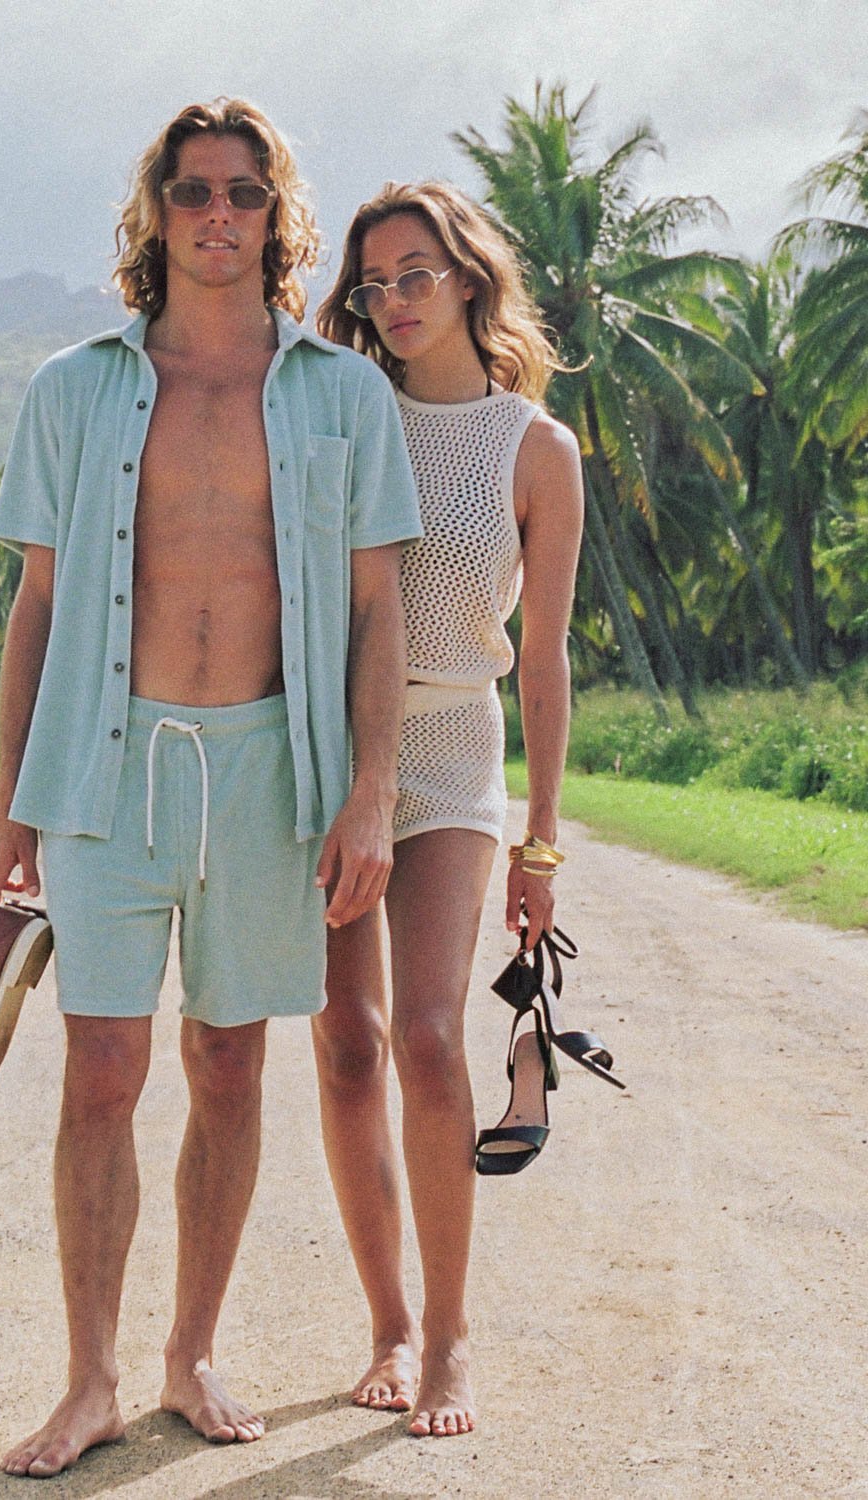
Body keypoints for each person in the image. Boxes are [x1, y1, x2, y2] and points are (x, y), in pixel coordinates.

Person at [0, 102, 422, 1478]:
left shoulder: (342, 395)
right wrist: (9, 806)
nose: (216, 216)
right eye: (190, 194)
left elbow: (375, 610)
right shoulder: (77, 388)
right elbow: (38, 607)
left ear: (275, 219)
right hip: (109, 767)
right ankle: (90, 1378)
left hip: (269, 768)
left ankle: (191, 1351)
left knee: (231, 1062)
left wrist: (368, 797)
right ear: (157, 216)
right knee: (100, 1070)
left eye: (241, 193)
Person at [312, 181, 584, 1437]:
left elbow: (543, 659)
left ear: (470, 279)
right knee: (346, 1042)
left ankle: (453, 1336)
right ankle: (387, 1323)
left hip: (457, 746)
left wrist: (542, 840)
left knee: (429, 1035)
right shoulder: (343, 412)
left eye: (416, 274)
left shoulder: (537, 447)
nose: (395, 301)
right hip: (329, 748)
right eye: (375, 284)